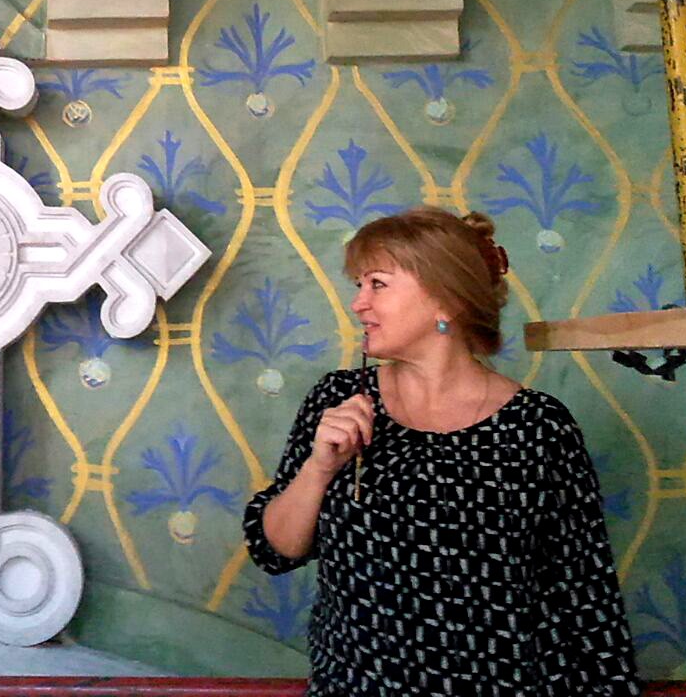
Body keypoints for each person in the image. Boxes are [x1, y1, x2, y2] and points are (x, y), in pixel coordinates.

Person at [242, 206, 643, 695]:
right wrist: (319, 469)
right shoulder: (339, 400)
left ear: (445, 300)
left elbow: (586, 596)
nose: (358, 304)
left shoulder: (539, 427)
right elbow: (274, 552)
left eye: (377, 284)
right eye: (359, 285)